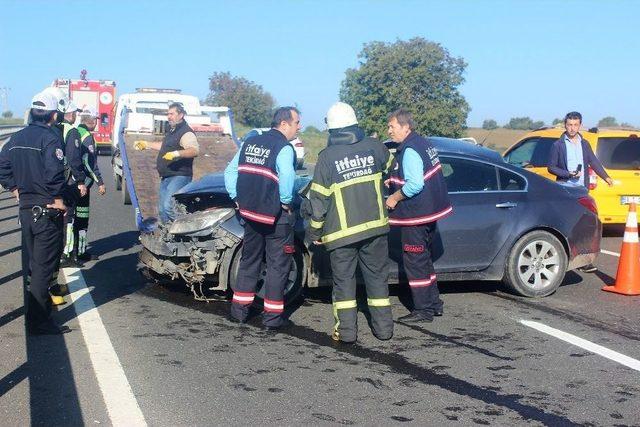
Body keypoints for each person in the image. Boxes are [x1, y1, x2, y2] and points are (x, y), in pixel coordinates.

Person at [304, 102, 394, 343]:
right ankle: (384, 330)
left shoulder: (326, 158)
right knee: (377, 281)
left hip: (341, 235)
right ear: (355, 123)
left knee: (343, 285)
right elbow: (391, 168)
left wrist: (314, 233)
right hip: (375, 228)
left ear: (332, 130)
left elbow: (318, 201)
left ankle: (346, 334)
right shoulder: (375, 147)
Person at [0, 91, 70, 335]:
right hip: (46, 209)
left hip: (26, 211)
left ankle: (37, 316)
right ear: (53, 115)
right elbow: (54, 172)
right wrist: (59, 199)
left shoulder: (16, 137)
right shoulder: (50, 138)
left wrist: (14, 188)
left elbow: (2, 165)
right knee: (42, 268)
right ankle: (38, 322)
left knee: (34, 264)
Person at [224, 107, 300, 331]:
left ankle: (239, 312)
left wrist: (237, 198)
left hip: (250, 214)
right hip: (276, 218)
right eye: (297, 122)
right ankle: (272, 319)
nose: (299, 126)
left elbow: (230, 173)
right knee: (278, 266)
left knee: (249, 261)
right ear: (284, 124)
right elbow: (287, 176)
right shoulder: (283, 147)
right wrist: (285, 202)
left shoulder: (250, 143)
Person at [385, 109, 453, 323]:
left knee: (414, 262)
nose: (389, 131)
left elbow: (415, 184)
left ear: (406, 127)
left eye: (392, 127)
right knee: (424, 260)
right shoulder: (423, 143)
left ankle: (423, 310)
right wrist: (393, 180)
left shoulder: (410, 149)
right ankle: (434, 304)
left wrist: (394, 197)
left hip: (416, 216)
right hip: (429, 214)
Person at [547, 111, 613, 273]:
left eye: (575, 125)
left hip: (581, 190)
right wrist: (568, 174)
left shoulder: (584, 144)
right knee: (565, 224)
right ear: (565, 125)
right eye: (569, 125)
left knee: (583, 225)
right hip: (565, 190)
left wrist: (606, 177)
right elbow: (551, 167)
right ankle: (559, 257)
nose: (572, 128)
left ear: (580, 126)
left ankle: (584, 261)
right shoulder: (558, 145)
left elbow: (594, 162)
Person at [133, 102, 199, 223]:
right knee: (162, 210)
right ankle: (168, 236)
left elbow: (194, 150)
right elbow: (164, 147)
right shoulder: (172, 131)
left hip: (180, 175)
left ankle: (186, 230)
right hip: (167, 176)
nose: (169, 116)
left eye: (172, 114)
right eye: (168, 114)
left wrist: (177, 154)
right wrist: (147, 144)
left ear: (181, 115)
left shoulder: (186, 132)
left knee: (169, 206)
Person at [70, 106, 106, 261]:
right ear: (90, 121)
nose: (97, 123)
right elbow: (89, 164)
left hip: (72, 184)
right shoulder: (87, 137)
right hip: (83, 184)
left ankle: (70, 251)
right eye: (96, 120)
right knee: (82, 219)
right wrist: (100, 182)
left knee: (72, 219)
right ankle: (80, 252)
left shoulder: (75, 132)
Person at [58, 98, 88, 268]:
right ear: (69, 114)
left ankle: (60, 251)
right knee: (69, 217)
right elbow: (74, 159)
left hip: (53, 181)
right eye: (75, 112)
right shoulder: (71, 131)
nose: (76, 115)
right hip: (68, 181)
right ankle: (67, 254)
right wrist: (81, 181)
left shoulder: (54, 128)